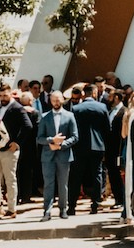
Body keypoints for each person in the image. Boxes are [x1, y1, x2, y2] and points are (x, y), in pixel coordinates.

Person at [70, 83, 113, 215]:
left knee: (76, 175)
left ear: (84, 94)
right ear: (94, 93)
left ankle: (72, 205)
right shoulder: (102, 107)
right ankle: (95, 203)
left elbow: (73, 128)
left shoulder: (76, 109)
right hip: (98, 145)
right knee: (97, 174)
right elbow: (107, 129)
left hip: (80, 145)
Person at [38, 90, 78, 221]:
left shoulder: (70, 116)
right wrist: (51, 140)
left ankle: (63, 209)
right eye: (53, 99)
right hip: (48, 156)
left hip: (64, 155)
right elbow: (39, 138)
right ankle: (47, 211)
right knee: (48, 184)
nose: (56, 102)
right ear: (50, 101)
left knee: (63, 184)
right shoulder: (44, 116)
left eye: (58, 99)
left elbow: (75, 136)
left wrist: (62, 144)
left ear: (62, 100)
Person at [0, 87, 32, 218]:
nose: (2, 98)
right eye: (0, 95)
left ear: (10, 94)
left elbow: (28, 126)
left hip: (10, 150)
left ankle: (11, 208)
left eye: (5, 95)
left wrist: (17, 142)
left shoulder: (17, 107)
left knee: (10, 180)